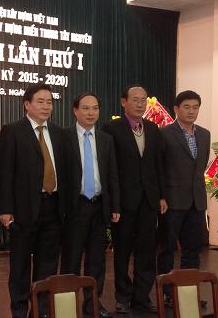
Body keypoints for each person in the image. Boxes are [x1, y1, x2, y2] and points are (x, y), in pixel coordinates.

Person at [0, 83, 67, 318]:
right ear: (27, 104)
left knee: (47, 265)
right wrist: (5, 209)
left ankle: (41, 311)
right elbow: (5, 172)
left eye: (49, 102)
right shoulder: (12, 131)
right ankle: (19, 310)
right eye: (40, 101)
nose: (46, 106)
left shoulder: (58, 133)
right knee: (20, 266)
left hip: (53, 206)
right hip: (23, 208)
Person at [102, 84, 167, 314]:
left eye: (143, 100)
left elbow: (158, 165)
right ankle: (122, 296)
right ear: (124, 102)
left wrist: (161, 195)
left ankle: (142, 296)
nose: (140, 104)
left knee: (147, 251)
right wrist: (114, 202)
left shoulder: (153, 129)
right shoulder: (111, 129)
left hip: (149, 200)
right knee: (122, 251)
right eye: (135, 100)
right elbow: (110, 169)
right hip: (124, 202)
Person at [61, 93, 121, 318]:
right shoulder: (64, 137)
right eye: (85, 108)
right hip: (75, 207)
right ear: (75, 110)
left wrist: (115, 206)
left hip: (99, 206)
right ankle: (66, 306)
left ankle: (92, 304)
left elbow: (112, 175)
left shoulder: (106, 139)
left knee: (97, 261)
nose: (90, 113)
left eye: (95, 108)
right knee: (71, 260)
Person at [157, 90, 210, 307]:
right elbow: (159, 168)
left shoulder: (204, 134)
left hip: (196, 201)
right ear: (176, 109)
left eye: (195, 107)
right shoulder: (164, 133)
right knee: (167, 249)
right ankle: (167, 294)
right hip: (172, 200)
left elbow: (200, 167)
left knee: (192, 250)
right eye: (186, 107)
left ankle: (189, 294)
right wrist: (161, 196)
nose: (191, 111)